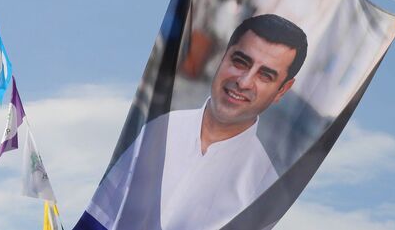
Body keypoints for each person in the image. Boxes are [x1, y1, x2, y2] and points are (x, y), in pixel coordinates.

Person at [77, 14, 308, 230]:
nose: (244, 82)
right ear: (222, 56)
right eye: (240, 62)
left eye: (265, 75)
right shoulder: (158, 129)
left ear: (282, 90)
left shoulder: (264, 186)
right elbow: (101, 215)